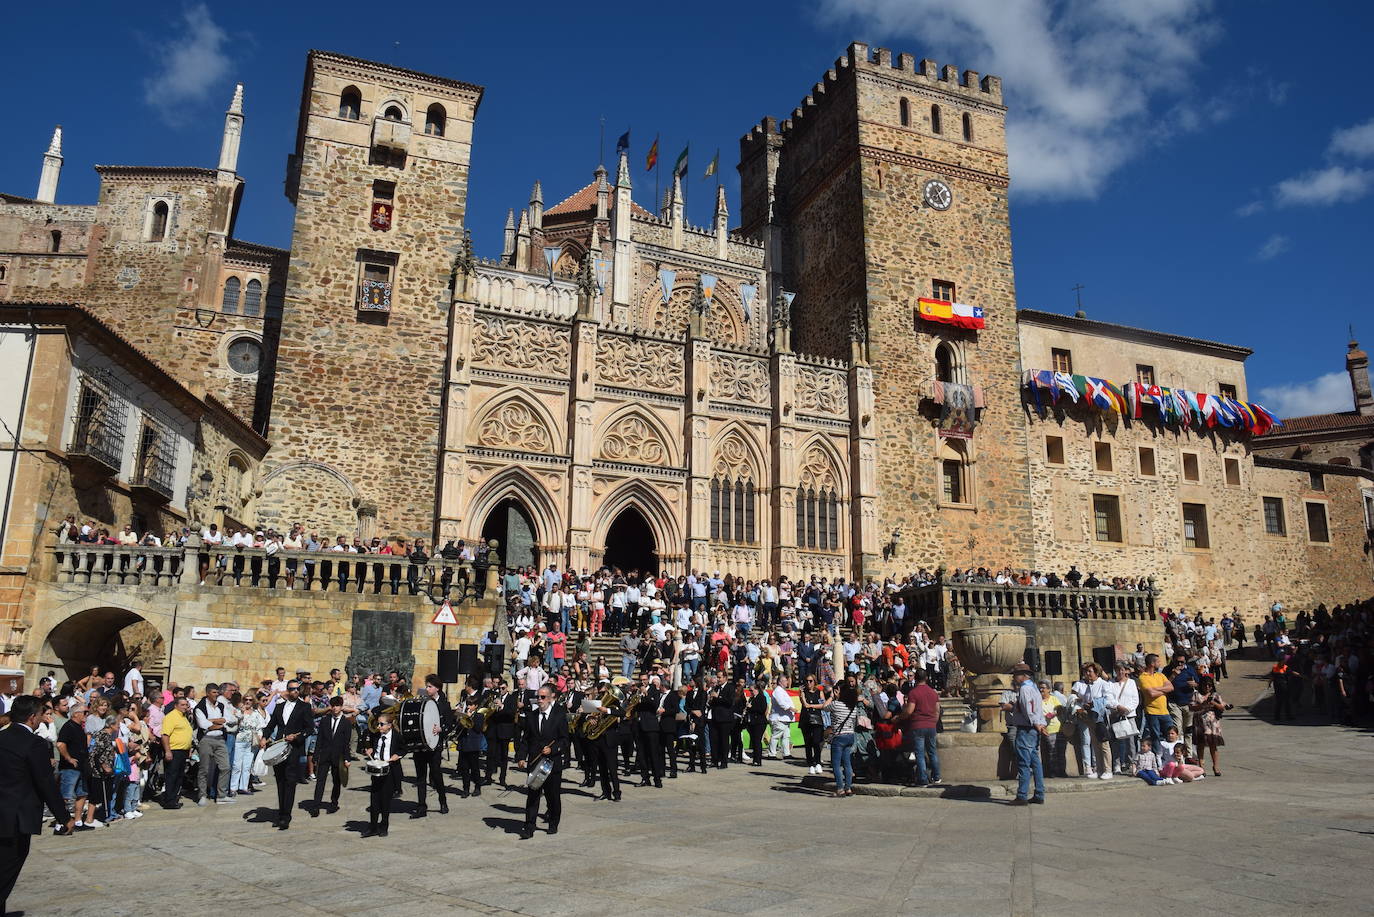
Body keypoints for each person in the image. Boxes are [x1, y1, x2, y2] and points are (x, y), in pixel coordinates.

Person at [1, 696, 74, 915]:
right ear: (33, 717)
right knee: (6, 872)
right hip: (16, 818)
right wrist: (64, 817)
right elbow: (46, 784)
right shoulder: (36, 744)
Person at [516, 684, 569, 839]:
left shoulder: (559, 715)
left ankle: (553, 823)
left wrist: (553, 750)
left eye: (543, 697)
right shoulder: (532, 716)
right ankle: (529, 826)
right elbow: (526, 739)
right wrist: (520, 757)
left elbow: (565, 740)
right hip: (535, 762)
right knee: (533, 796)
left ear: (551, 697)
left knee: (553, 796)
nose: (539, 700)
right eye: (538, 697)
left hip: (552, 764)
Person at [261, 680, 314, 830]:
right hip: (279, 746)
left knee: (290, 781)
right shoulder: (279, 707)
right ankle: (281, 812)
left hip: (294, 748)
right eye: (292, 689)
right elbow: (271, 726)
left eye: (297, 689)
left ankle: (286, 816)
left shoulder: (304, 707)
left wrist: (297, 737)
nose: (295, 691)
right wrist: (265, 737)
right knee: (280, 780)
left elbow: (309, 728)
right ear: (287, 690)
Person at [1003, 662, 1046, 805]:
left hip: (1026, 727)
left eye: (1016, 675)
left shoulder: (1024, 689)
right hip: (1034, 727)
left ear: (1022, 676)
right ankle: (1039, 793)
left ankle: (1022, 795)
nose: (1014, 678)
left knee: (1023, 763)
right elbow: (1035, 708)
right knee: (1035, 762)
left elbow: (1028, 709)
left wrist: (1034, 722)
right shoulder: (1034, 688)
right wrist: (1039, 724)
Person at [412, 674, 453, 814]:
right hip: (420, 744)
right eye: (427, 686)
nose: (427, 689)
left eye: (430, 687)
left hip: (435, 745)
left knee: (436, 774)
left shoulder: (445, 705)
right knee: (420, 777)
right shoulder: (422, 701)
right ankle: (421, 806)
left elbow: (450, 725)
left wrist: (442, 729)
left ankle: (443, 801)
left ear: (437, 688)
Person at [194, 682, 237, 805]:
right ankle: (202, 795)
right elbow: (203, 725)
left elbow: (226, 721)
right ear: (207, 693)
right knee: (204, 769)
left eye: (217, 692)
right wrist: (216, 724)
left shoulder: (220, 706)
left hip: (220, 739)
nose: (216, 695)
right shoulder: (200, 707)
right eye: (214, 692)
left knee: (225, 767)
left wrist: (212, 722)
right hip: (206, 739)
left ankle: (221, 795)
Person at [362, 713, 404, 837]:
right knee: (374, 799)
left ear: (389, 725)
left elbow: (403, 749)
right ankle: (373, 826)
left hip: (389, 770)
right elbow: (371, 747)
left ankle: (384, 825)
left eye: (381, 724)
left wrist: (397, 755)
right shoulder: (376, 735)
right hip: (376, 770)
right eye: (378, 724)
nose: (379, 726)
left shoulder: (396, 736)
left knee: (385, 800)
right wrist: (369, 750)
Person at [312, 696, 352, 815]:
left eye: (337, 706)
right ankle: (316, 805)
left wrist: (347, 758)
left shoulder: (346, 722)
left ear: (341, 707)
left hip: (338, 756)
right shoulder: (325, 720)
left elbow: (346, 742)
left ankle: (334, 803)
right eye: (333, 706)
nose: (335, 708)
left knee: (337, 781)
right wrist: (315, 755)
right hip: (325, 754)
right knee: (320, 781)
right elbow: (319, 739)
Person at [904, 668, 941, 787]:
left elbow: (909, 711)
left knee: (919, 753)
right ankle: (936, 777)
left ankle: (923, 779)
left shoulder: (913, 693)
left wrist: (900, 717)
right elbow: (937, 710)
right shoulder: (933, 692)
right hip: (931, 725)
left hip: (918, 725)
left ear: (915, 678)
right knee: (932, 752)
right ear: (926, 678)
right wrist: (933, 722)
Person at [823, 681, 861, 797]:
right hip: (850, 735)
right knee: (847, 763)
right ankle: (848, 787)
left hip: (838, 736)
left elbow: (824, 707)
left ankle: (840, 788)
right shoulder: (853, 707)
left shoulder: (836, 704)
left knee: (836, 764)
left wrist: (831, 697)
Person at [160, 697, 194, 809]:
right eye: (182, 705)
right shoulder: (171, 717)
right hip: (174, 750)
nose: (185, 707)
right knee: (171, 776)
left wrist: (188, 749)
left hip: (183, 751)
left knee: (179, 776)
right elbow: (165, 735)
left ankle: (173, 799)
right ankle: (169, 800)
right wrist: (167, 751)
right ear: (176, 705)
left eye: (186, 705)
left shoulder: (183, 717)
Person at [1190, 675, 1227, 777]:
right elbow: (1191, 707)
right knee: (1201, 744)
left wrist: (1212, 702)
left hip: (1213, 723)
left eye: (1209, 685)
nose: (1207, 687)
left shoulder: (1215, 695)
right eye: (1205, 685)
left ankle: (1216, 766)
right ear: (1201, 685)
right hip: (1199, 722)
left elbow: (1221, 708)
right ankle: (1201, 766)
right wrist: (1202, 705)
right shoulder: (1196, 694)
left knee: (1213, 744)